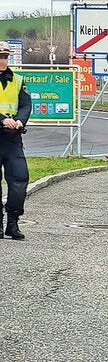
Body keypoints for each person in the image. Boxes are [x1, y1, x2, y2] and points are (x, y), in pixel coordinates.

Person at [0, 40, 31, 240]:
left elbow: (26, 105)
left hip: (12, 139)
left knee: (20, 178)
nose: (3, 61)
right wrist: (3, 120)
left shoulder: (18, 80)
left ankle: (13, 222)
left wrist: (19, 120)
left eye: (5, 57)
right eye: (0, 56)